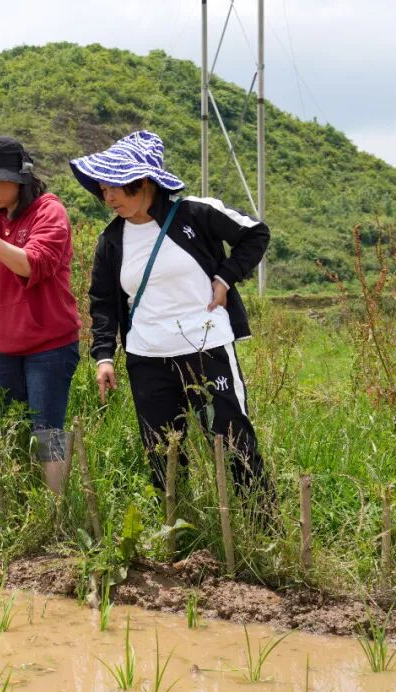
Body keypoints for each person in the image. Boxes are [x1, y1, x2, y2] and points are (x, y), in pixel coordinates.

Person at [69, 130, 272, 512]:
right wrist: (103, 356)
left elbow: (256, 234)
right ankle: (178, 533)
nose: (107, 197)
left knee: (233, 440)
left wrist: (226, 276)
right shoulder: (111, 240)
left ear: (143, 182)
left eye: (115, 188)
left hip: (206, 347)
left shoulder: (195, 213)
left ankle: (261, 527)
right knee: (162, 450)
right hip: (147, 358)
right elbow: (103, 303)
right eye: (102, 189)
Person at [0, 135, 81, 492]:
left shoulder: (48, 212)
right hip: (6, 349)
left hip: (50, 346)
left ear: (20, 177)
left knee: (47, 429)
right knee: (14, 426)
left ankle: (56, 508)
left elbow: (34, 265)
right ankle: (24, 500)